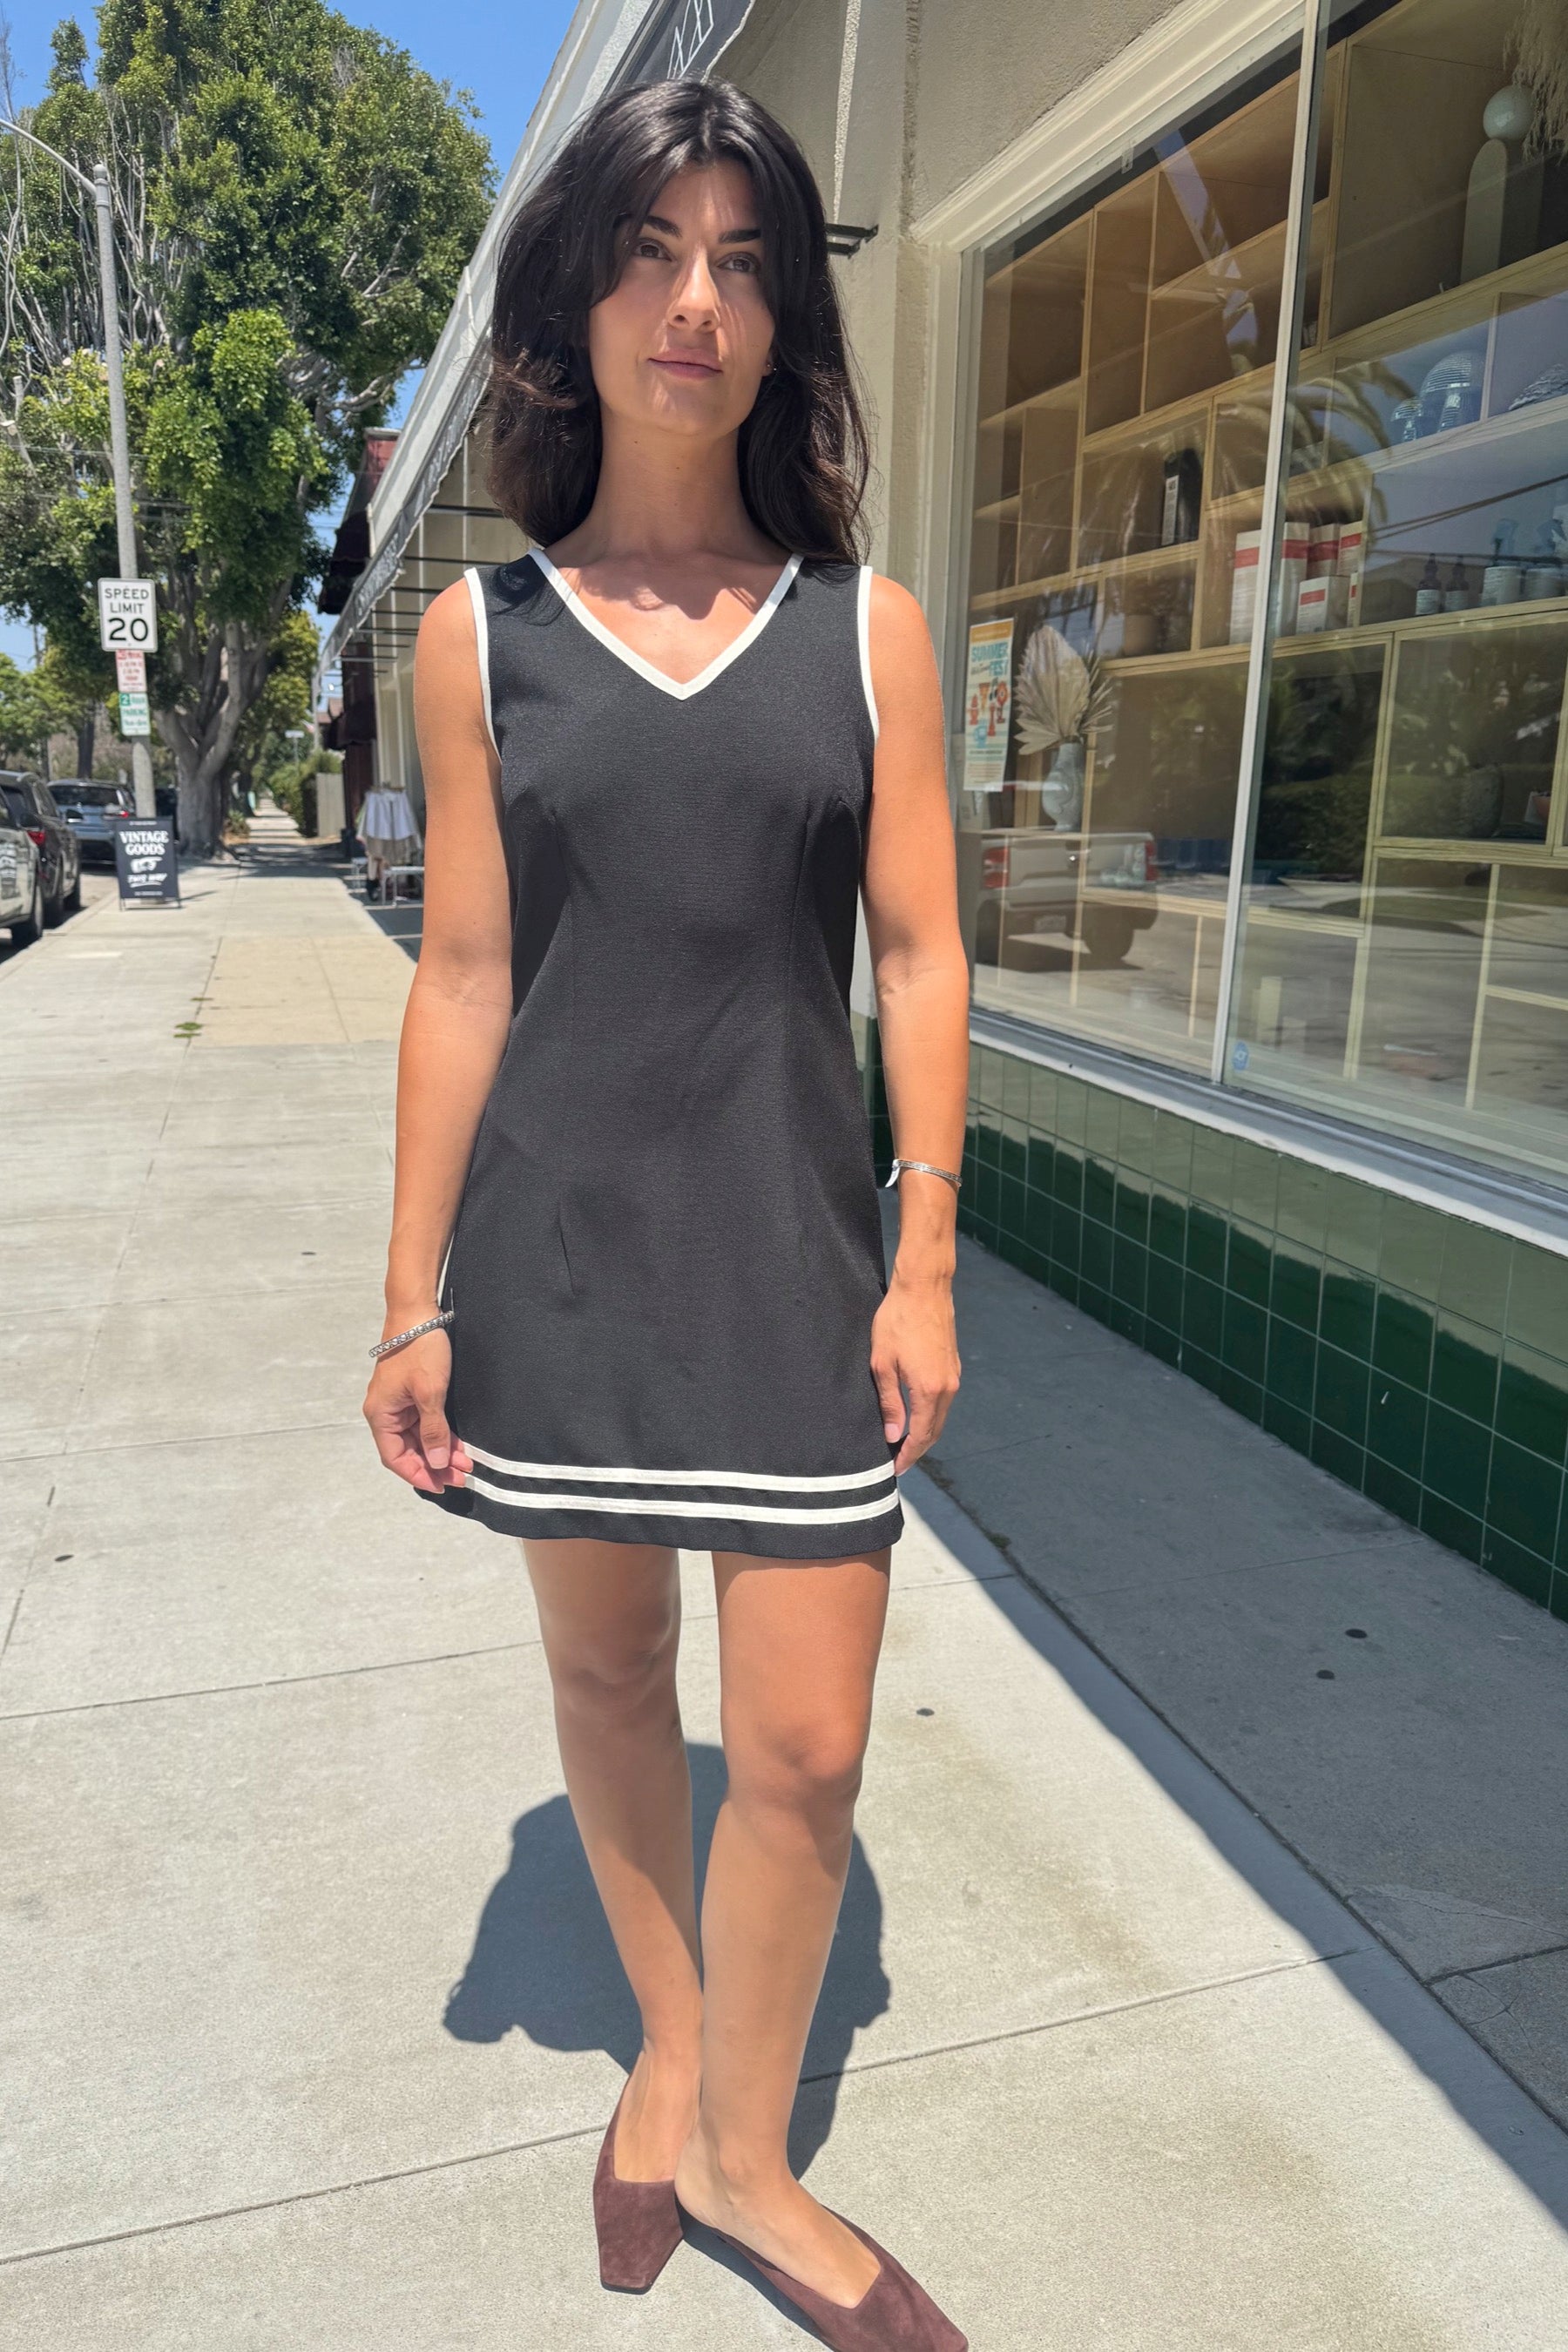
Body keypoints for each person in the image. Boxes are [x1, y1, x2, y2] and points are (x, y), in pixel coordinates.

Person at [363, 77, 970, 2352]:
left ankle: (739, 2153)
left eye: (740, 259)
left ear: (787, 313)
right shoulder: (480, 639)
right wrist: (409, 1294)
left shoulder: (869, 631)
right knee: (611, 1672)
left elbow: (921, 953)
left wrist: (925, 1248)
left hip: (798, 1269)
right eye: (649, 251)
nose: (694, 301)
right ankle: (687, 2073)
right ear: (580, 302)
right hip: (563, 1264)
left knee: (802, 1749)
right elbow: (463, 976)